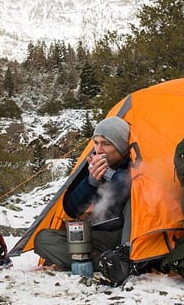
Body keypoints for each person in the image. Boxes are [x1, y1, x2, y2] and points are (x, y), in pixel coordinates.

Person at [34, 116, 132, 273]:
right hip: (93, 236)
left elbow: (135, 187)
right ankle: (107, 263)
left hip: (124, 236)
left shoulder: (133, 163)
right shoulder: (90, 167)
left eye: (106, 144)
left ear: (121, 146)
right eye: (96, 143)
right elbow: (71, 208)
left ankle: (118, 261)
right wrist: (90, 182)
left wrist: (108, 174)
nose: (99, 149)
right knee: (43, 239)